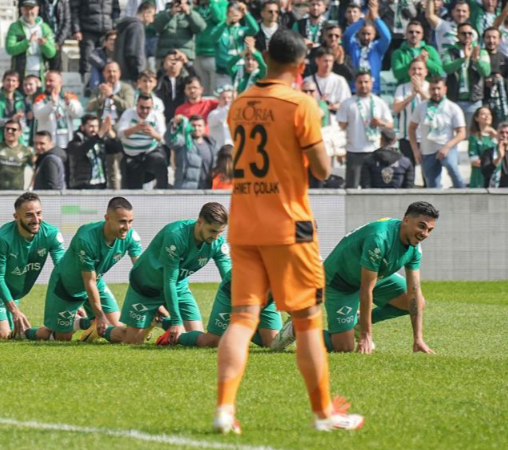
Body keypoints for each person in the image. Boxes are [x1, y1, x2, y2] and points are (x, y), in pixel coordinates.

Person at [213, 28, 362, 435]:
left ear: (265, 57)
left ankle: (224, 409)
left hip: (244, 225)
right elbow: (323, 169)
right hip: (288, 227)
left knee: (242, 319)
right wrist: (325, 143)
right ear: (301, 66)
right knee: (308, 320)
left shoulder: (240, 104)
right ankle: (323, 414)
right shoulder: (301, 104)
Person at [275, 202, 438, 355]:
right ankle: (297, 329)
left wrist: (418, 339)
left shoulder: (414, 247)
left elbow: (414, 291)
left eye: (429, 230)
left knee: (417, 302)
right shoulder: (379, 238)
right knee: (344, 347)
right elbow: (366, 289)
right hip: (340, 282)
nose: (425, 234)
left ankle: (358, 322)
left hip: (374, 275)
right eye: (421, 226)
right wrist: (366, 336)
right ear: (406, 220)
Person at [102, 203, 231, 345]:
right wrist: (176, 321)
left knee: (197, 336)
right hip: (146, 286)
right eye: (212, 231)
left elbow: (229, 279)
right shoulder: (176, 235)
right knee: (132, 340)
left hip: (177, 286)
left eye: (220, 232)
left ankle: (162, 321)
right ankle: (102, 329)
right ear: (199, 222)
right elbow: (169, 281)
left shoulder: (218, 243)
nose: (216, 236)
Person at [26, 197, 142, 341]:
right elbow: (88, 281)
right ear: (107, 218)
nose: (127, 227)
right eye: (122, 221)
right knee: (63, 338)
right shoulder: (86, 238)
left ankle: (92, 325)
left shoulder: (131, 236)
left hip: (95, 282)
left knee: (118, 327)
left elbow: (140, 272)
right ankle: (26, 333)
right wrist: (99, 316)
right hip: (67, 288)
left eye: (130, 221)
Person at [0, 193, 65, 339]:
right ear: (16, 216)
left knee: (16, 332)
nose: (36, 220)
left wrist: (71, 301)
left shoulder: (51, 234)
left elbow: (62, 269)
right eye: (29, 215)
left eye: (39, 213)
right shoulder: (3, 237)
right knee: (2, 334)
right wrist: (14, 310)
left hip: (13, 291)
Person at [157, 270, 283, 348]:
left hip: (266, 297)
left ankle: (241, 324)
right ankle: (173, 333)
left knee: (273, 344)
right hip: (234, 291)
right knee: (212, 341)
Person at [337, 70, 395, 189]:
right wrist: (339, 149)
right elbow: (340, 127)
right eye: (360, 82)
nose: (363, 85)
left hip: (374, 150)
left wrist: (380, 123)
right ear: (355, 83)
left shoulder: (379, 102)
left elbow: (390, 125)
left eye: (366, 82)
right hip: (354, 151)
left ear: (371, 84)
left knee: (372, 186)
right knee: (352, 187)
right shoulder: (348, 103)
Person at [408, 76, 467, 188]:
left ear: (445, 89)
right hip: (427, 151)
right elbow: (411, 128)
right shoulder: (421, 107)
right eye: (433, 89)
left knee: (453, 171)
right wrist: (415, 150)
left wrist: (447, 147)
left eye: (439, 88)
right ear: (429, 90)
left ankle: (463, 194)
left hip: (447, 149)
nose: (436, 92)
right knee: (432, 184)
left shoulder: (453, 108)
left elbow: (462, 133)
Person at [443, 22, 491, 126]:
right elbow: (447, 68)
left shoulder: (481, 51)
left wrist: (476, 61)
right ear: (457, 36)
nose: (467, 36)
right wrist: (463, 59)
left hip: (474, 101)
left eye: (469, 33)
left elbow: (486, 72)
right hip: (454, 100)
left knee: (472, 132)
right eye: (463, 33)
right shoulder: (450, 52)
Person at [117, 94, 168, 189]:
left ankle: (163, 191)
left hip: (150, 151)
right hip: (132, 155)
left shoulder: (156, 116)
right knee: (132, 187)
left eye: (148, 108)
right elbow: (120, 134)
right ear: (136, 105)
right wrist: (136, 128)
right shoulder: (129, 113)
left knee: (160, 162)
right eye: (142, 107)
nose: (144, 111)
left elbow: (165, 139)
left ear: (152, 107)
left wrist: (154, 134)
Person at [343, 0, 391, 94]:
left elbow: (387, 37)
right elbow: (347, 35)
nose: (366, 37)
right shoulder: (352, 46)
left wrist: (376, 17)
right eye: (363, 33)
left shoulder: (377, 47)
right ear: (358, 33)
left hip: (373, 90)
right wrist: (363, 20)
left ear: (374, 34)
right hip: (355, 90)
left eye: (369, 34)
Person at [6, 0, 57, 85]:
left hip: (40, 71)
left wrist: (45, 45)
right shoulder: (15, 27)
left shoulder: (45, 28)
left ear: (37, 9)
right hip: (20, 71)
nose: (29, 12)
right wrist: (27, 42)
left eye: (31, 9)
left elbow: (51, 53)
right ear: (21, 10)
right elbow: (10, 49)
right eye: (26, 9)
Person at [70, 0, 121, 82]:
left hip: (106, 31)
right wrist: (76, 30)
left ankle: (106, 85)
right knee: (87, 61)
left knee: (106, 62)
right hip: (87, 30)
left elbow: (116, 10)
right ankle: (86, 85)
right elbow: (74, 10)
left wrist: (114, 27)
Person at [393, 59, 430, 166]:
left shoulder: (431, 87)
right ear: (409, 72)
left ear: (426, 72)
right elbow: (396, 108)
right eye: (413, 69)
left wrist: (420, 90)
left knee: (427, 173)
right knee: (408, 172)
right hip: (406, 139)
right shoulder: (402, 88)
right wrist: (411, 96)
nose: (416, 72)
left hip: (427, 139)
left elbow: (434, 106)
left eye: (420, 69)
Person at [214, 2, 259, 89]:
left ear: (241, 15)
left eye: (237, 12)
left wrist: (246, 13)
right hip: (223, 72)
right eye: (231, 12)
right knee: (224, 96)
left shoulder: (243, 30)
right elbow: (214, 38)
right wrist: (226, 22)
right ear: (227, 14)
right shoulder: (221, 28)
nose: (234, 15)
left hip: (239, 70)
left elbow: (255, 29)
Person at [33, 70, 83, 148]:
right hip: (49, 144)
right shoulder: (40, 98)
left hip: (67, 141)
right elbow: (39, 116)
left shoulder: (69, 96)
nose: (47, 83)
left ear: (60, 82)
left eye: (51, 81)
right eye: (46, 81)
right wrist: (52, 104)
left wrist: (69, 104)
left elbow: (78, 114)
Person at [167, 114, 218, 189]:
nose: (196, 128)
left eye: (199, 126)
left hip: (207, 189)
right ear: (188, 127)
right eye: (193, 125)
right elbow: (170, 140)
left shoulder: (211, 144)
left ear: (204, 127)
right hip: (186, 190)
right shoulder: (182, 142)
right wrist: (174, 125)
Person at [66, 114, 114, 189]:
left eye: (96, 126)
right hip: (82, 185)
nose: (94, 129)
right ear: (82, 127)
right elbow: (82, 150)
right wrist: (99, 135)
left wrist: (110, 132)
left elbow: (117, 148)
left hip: (101, 183)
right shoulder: (75, 142)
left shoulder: (101, 142)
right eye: (91, 126)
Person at [152, 0, 206, 64]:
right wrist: (170, 14)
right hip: (164, 56)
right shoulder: (164, 12)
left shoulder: (193, 12)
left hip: (185, 56)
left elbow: (200, 28)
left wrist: (189, 13)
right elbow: (156, 27)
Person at [115, 0, 156, 83]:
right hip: (131, 77)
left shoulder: (126, 25)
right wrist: (139, 75)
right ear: (146, 13)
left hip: (122, 73)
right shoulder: (137, 27)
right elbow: (134, 53)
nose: (152, 20)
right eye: (152, 16)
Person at [304, 46, 352, 116]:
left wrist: (331, 106)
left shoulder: (340, 80)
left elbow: (347, 103)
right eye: (325, 61)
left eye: (330, 61)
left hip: (334, 119)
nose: (328, 64)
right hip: (314, 117)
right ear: (317, 61)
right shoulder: (308, 80)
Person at [0, 119, 33, 190]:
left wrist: (30, 187)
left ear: (20, 132)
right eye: (7, 129)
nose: (9, 131)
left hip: (17, 192)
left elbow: (36, 169)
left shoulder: (26, 151)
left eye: (13, 129)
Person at [193, 0, 227, 96]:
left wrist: (212, 2)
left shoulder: (222, 3)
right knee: (202, 92)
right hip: (199, 53)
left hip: (214, 54)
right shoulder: (199, 5)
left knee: (214, 92)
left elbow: (220, 19)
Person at [0, 71, 26, 145]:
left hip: (16, 142)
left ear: (17, 84)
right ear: (3, 82)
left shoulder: (20, 101)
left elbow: (23, 123)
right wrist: (9, 121)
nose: (10, 83)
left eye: (13, 81)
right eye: (8, 80)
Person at [482, 27, 508, 127]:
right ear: (483, 39)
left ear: (499, 40)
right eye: (488, 37)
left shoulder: (505, 59)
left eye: (494, 37)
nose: (491, 41)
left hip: (499, 103)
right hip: (481, 100)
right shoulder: (479, 56)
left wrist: (500, 79)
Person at [156, 50, 196, 124]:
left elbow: (196, 80)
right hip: (162, 119)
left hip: (182, 118)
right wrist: (163, 69)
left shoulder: (184, 81)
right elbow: (154, 81)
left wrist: (187, 63)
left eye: (177, 60)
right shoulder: (161, 80)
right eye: (170, 60)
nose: (173, 63)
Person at [467, 106, 498, 187]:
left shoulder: (497, 135)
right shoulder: (474, 138)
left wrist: (496, 135)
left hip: (496, 176)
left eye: (489, 114)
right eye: (483, 114)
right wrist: (491, 165)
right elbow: (474, 161)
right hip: (480, 176)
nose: (487, 116)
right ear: (476, 118)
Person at [38, 0, 72, 71]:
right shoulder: (40, 2)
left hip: (56, 41)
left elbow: (66, 23)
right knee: (40, 69)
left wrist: (59, 42)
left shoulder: (63, 2)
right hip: (42, 41)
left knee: (55, 70)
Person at [207, 86, 233, 150]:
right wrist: (233, 103)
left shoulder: (236, 114)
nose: (227, 100)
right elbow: (221, 116)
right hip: (218, 151)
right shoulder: (213, 114)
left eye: (229, 98)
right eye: (223, 98)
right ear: (218, 99)